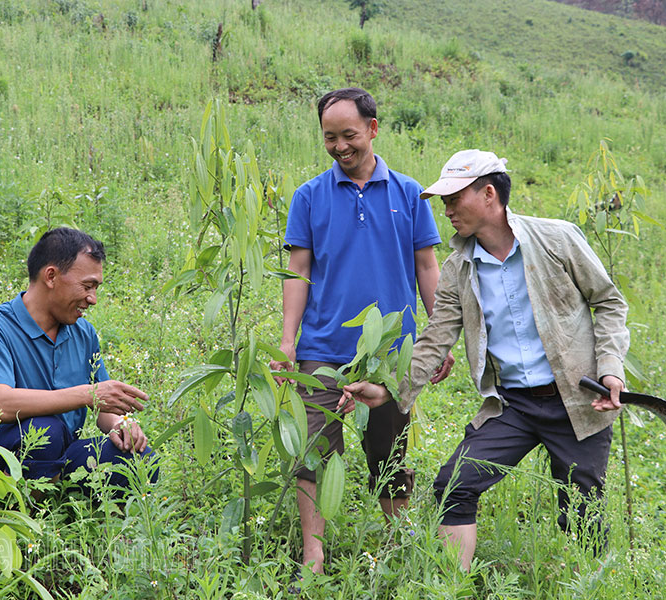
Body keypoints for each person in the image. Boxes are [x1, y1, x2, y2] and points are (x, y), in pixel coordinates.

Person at [339, 149, 629, 570]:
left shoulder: (557, 239)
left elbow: (608, 302)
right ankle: (453, 584)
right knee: (453, 484)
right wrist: (387, 392)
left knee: (583, 512)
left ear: (489, 193)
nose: (447, 210)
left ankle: (594, 584)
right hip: (514, 405)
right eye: (444, 202)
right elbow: (436, 338)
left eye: (455, 199)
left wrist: (610, 368)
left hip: (578, 400)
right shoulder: (459, 268)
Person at [269, 87, 454, 574]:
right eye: (329, 137)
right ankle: (314, 553)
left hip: (392, 353)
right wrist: (288, 343)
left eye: (348, 135)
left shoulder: (410, 193)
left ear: (372, 128)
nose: (339, 146)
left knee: (388, 452)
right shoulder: (308, 197)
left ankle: (397, 542)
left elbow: (427, 268)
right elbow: (298, 272)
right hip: (322, 348)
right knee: (314, 450)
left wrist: (436, 336)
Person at [0, 227, 156, 495]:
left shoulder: (83, 333)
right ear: (51, 276)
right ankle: (19, 508)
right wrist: (87, 394)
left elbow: (104, 407)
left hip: (62, 454)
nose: (93, 299)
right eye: (87, 286)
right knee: (46, 430)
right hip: (1, 456)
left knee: (139, 458)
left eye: (96, 288)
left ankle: (62, 500)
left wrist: (122, 426)